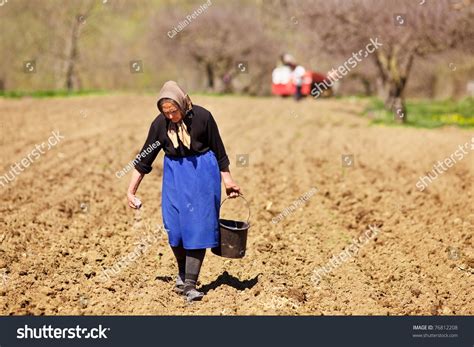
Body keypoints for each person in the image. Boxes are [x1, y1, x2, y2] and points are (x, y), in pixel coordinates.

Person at [126, 81, 241, 302]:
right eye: (165, 112)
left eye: (173, 111)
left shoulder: (203, 117)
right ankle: (182, 272)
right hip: (175, 175)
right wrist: (131, 191)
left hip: (202, 173)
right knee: (175, 228)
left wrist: (228, 180)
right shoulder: (160, 125)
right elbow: (144, 160)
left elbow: (219, 151)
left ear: (182, 104)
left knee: (197, 226)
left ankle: (190, 284)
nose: (170, 116)